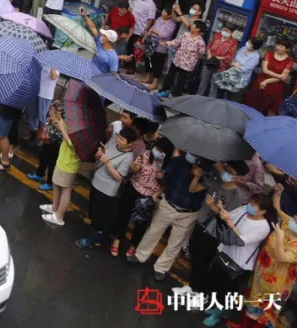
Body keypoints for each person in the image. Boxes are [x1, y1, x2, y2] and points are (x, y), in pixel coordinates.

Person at [128, 149, 207, 282]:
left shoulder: (207, 172)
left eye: (198, 153)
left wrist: (198, 176)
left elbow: (199, 189)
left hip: (189, 213)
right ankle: (140, 255)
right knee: (153, 231)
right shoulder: (177, 161)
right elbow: (165, 180)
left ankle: (161, 268)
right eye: (193, 152)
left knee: (175, 243)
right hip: (169, 204)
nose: (195, 155)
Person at [198, 192, 275, 325]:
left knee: (228, 290)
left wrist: (229, 222)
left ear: (263, 211)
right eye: (250, 202)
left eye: (254, 205)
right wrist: (217, 208)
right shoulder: (243, 210)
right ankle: (218, 307)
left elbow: (241, 240)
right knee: (216, 284)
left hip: (239, 263)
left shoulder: (263, 227)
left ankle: (219, 314)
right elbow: (227, 217)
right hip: (225, 253)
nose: (249, 206)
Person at [232, 184, 297, 328]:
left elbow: (282, 258)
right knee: (251, 299)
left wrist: (279, 238)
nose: (294, 219)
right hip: (262, 271)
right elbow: (278, 209)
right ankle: (243, 325)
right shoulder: (288, 223)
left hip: (276, 283)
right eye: (295, 217)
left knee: (265, 310)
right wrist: (277, 194)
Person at [186, 160, 250, 297]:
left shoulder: (236, 195)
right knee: (195, 255)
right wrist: (197, 177)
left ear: (238, 178)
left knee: (203, 261)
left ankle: (198, 290)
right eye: (226, 169)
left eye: (231, 173)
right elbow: (193, 189)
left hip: (213, 233)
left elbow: (229, 219)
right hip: (200, 224)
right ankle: (193, 286)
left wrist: (214, 208)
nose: (226, 173)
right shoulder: (215, 182)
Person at [76, 127, 137, 249]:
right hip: (96, 182)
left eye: (122, 139)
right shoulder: (112, 142)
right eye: (119, 137)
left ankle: (91, 240)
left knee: (100, 215)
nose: (118, 140)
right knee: (93, 210)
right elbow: (98, 158)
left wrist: (109, 164)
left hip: (107, 190)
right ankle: (97, 236)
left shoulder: (128, 157)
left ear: (130, 144)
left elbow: (119, 177)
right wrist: (98, 155)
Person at [41, 105, 79, 227]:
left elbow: (71, 143)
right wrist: (54, 115)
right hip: (62, 160)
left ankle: (59, 216)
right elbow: (61, 127)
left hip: (69, 165)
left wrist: (62, 128)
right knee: (56, 185)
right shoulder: (74, 124)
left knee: (66, 190)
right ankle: (54, 207)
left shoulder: (82, 130)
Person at [244, 38, 293, 116]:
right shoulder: (269, 54)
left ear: (287, 49)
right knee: (252, 104)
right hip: (261, 81)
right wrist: (279, 76)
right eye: (278, 45)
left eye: (281, 46)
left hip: (275, 86)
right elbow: (265, 70)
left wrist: (267, 81)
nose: (278, 47)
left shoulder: (289, 61)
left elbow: (284, 76)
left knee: (267, 109)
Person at [160, 19, 207, 98]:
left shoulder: (200, 42)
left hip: (187, 64)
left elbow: (201, 54)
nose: (191, 26)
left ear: (197, 29)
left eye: (193, 25)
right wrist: (166, 43)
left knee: (181, 80)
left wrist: (192, 58)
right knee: (170, 75)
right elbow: (176, 42)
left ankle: (176, 95)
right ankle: (164, 90)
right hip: (177, 59)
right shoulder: (185, 35)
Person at [142, 6, 178, 92]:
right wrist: (147, 35)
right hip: (151, 43)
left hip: (160, 47)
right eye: (162, 11)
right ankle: (148, 78)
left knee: (158, 64)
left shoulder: (172, 24)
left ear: (169, 15)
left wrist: (155, 32)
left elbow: (164, 35)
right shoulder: (159, 19)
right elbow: (152, 28)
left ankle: (155, 83)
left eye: (164, 11)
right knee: (148, 60)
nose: (162, 13)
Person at [127, 0, 157, 73]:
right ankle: (128, 64)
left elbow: (150, 19)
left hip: (140, 30)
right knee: (129, 47)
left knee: (136, 50)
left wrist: (145, 30)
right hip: (132, 27)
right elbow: (131, 9)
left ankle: (133, 68)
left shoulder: (151, 5)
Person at [81, 7, 120, 73]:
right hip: (88, 74)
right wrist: (85, 16)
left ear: (108, 39)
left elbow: (113, 74)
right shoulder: (100, 41)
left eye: (104, 35)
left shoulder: (113, 57)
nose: (101, 35)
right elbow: (92, 28)